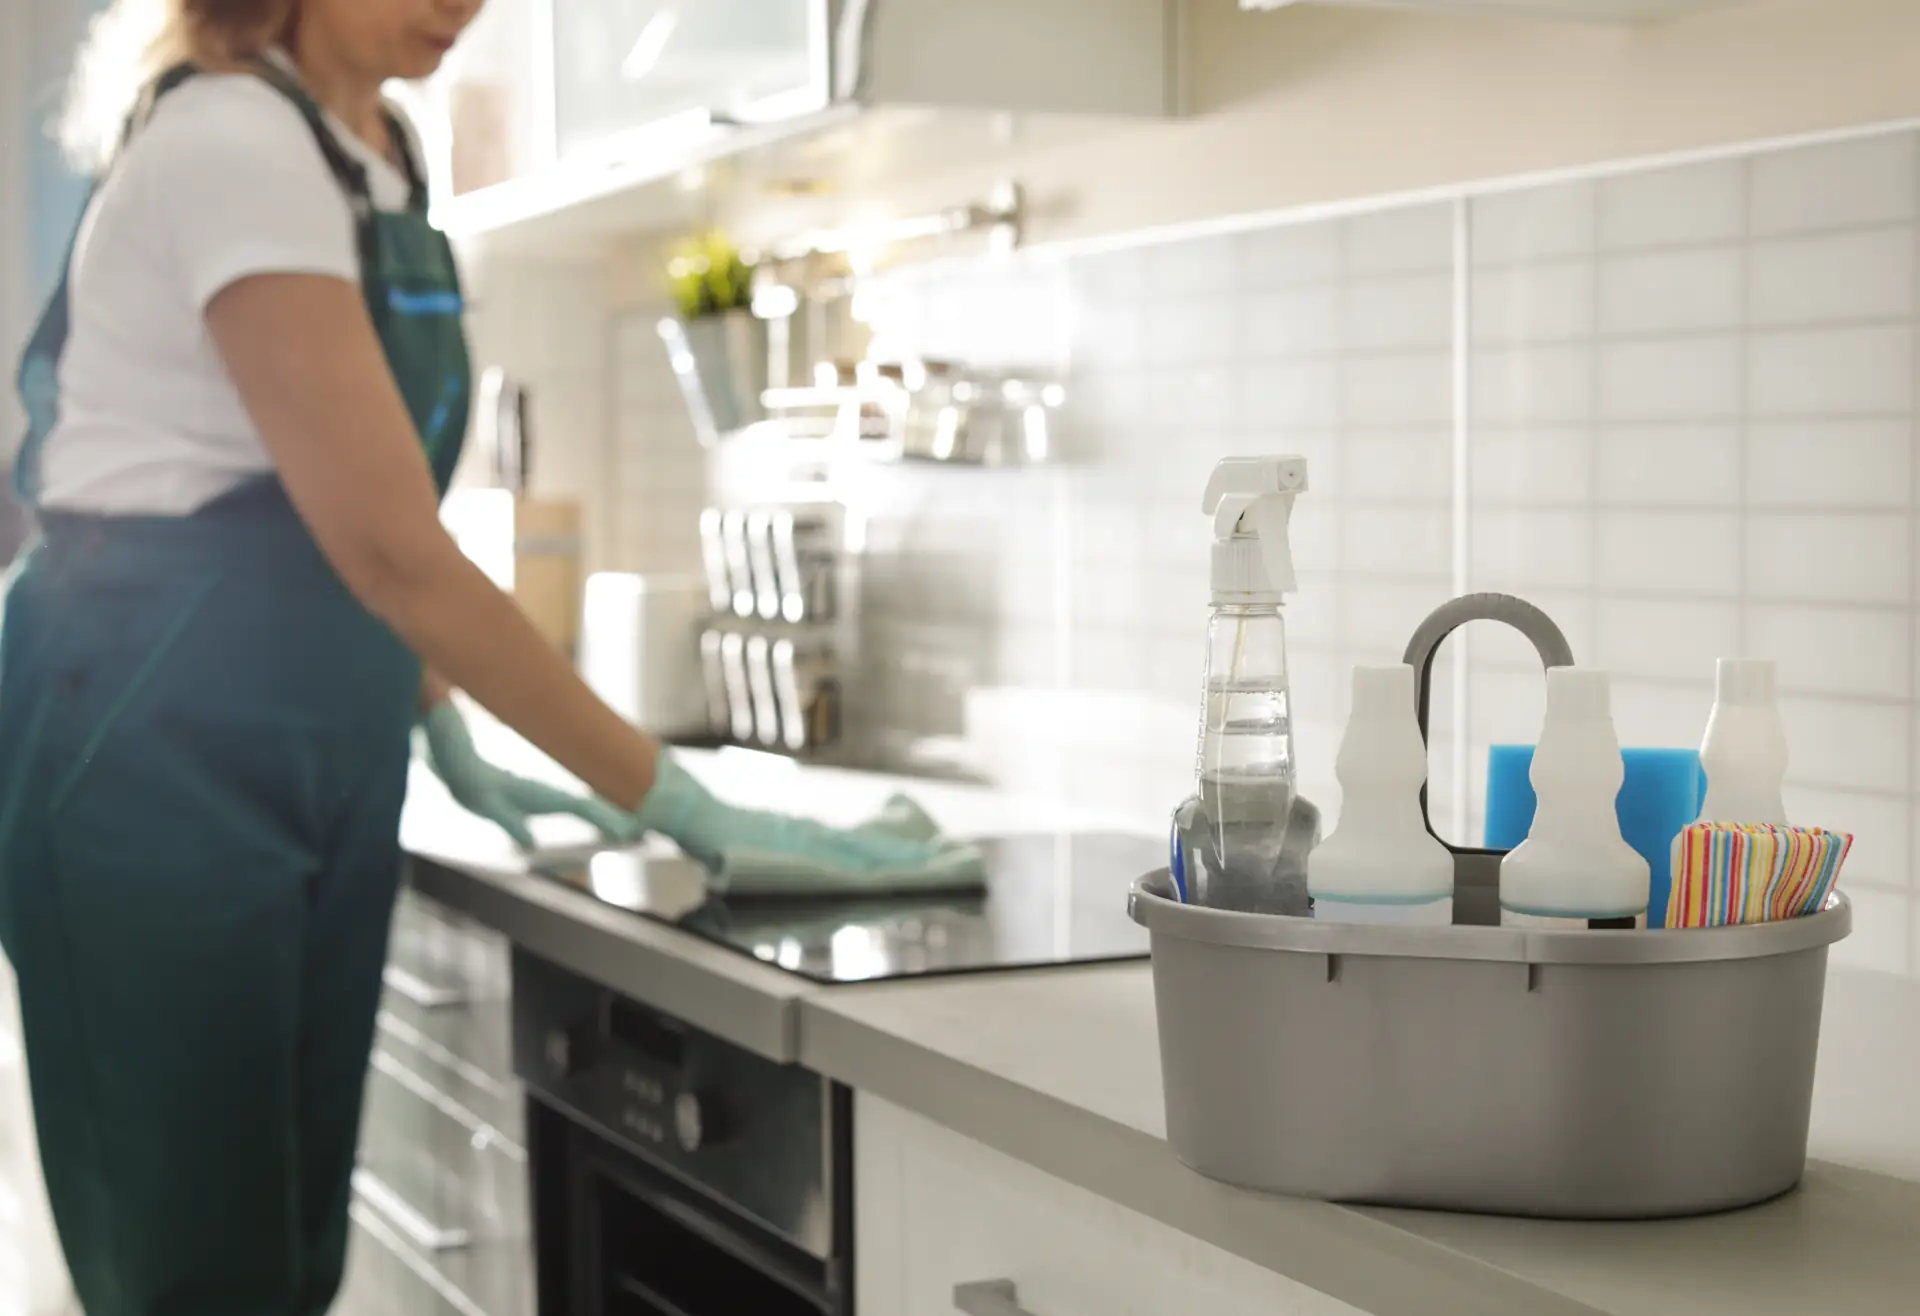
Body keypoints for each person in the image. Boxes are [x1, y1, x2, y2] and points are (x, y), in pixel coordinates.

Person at [0, 2, 933, 1313]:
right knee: (192, 1274)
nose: (460, 5)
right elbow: (387, 546)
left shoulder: (380, 150)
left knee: (284, 1256)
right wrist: (670, 796)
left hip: (317, 736)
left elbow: (348, 518)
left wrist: (425, 696)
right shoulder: (230, 139)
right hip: (145, 746)